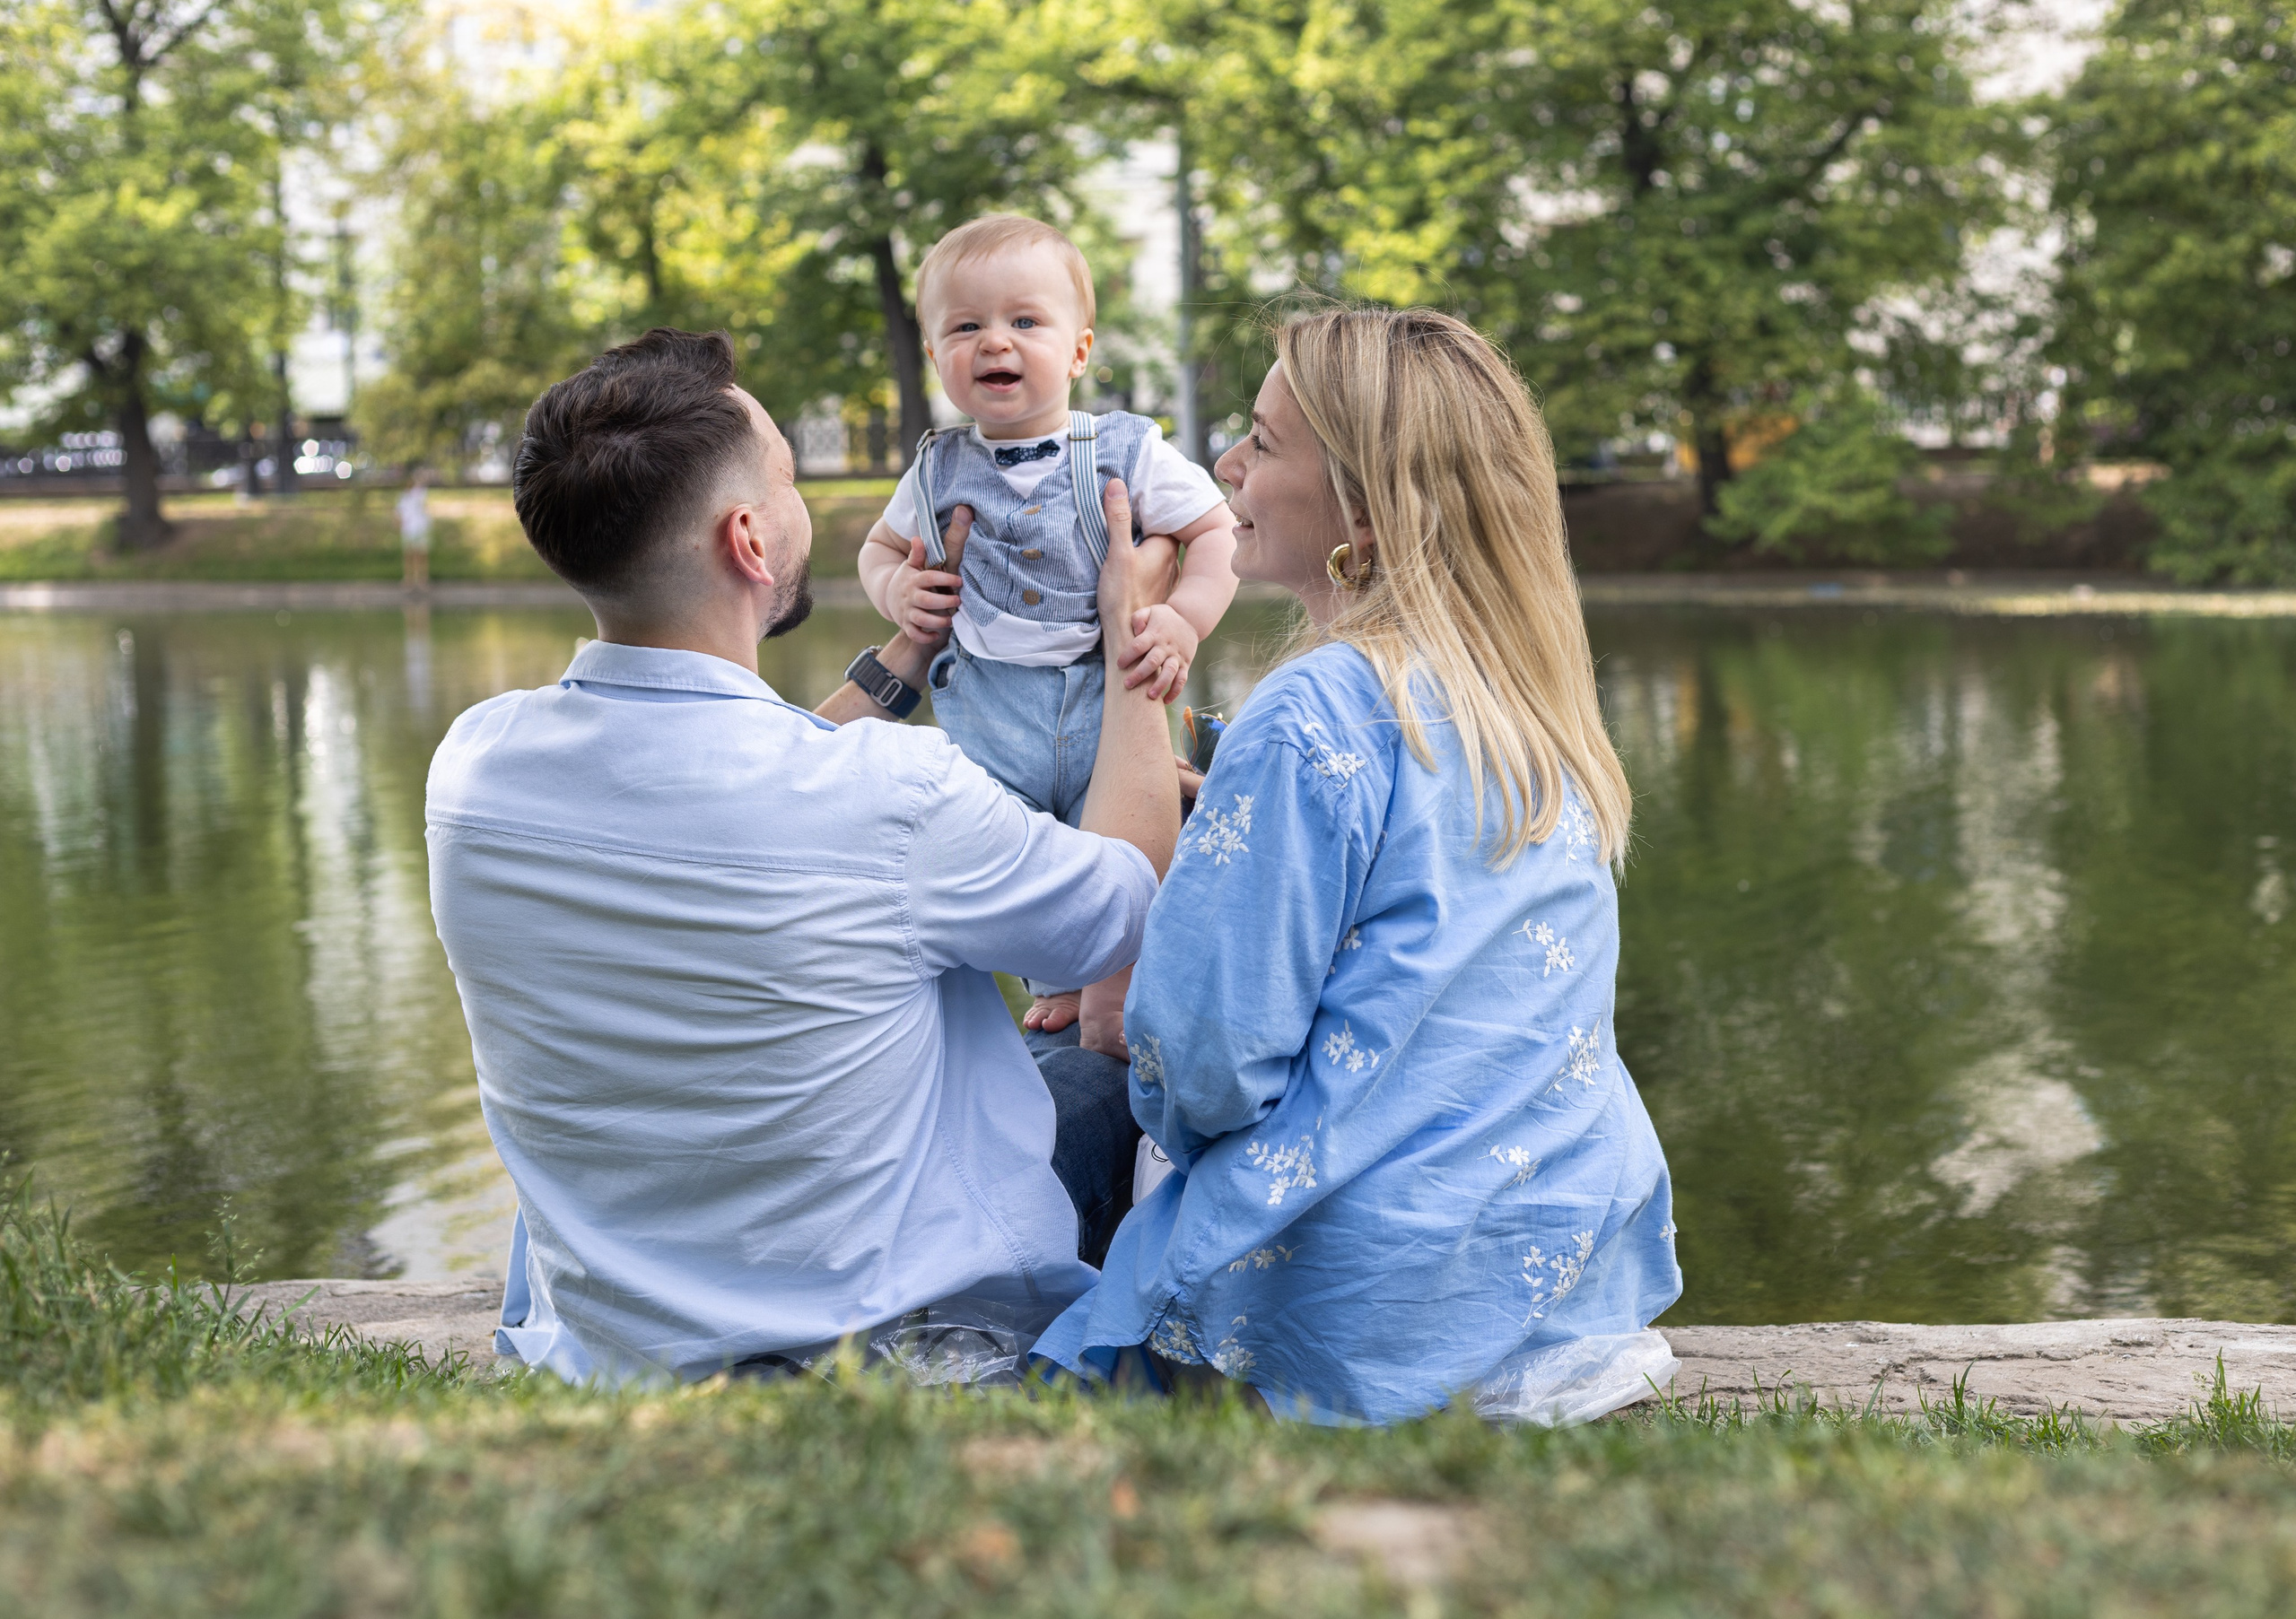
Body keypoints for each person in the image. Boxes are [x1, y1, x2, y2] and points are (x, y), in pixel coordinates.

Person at [423, 328, 1180, 1384]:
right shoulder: (896, 795)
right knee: (1097, 1064)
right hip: (891, 1344)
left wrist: (903, 658)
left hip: (616, 1346)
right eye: (785, 478)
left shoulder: (472, 767)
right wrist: (1128, 630)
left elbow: (739, 772)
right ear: (750, 538)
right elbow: (1128, 901)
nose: (801, 503)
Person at [1032, 309, 1683, 1425]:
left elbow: (1201, 1064)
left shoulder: (1312, 709)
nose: (1227, 467)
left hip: (1366, 1291)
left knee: (1051, 1090)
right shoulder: (1532, 703)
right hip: (1557, 1243)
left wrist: (1137, 989)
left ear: (1365, 512)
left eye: (1262, 442)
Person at [856, 215, 1238, 1049]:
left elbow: (1215, 531)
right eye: (966, 326)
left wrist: (1181, 615)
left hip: (1103, 696)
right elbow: (878, 549)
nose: (995, 341)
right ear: (935, 357)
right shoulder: (934, 466)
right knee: (1020, 864)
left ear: (1078, 350)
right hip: (991, 713)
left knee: (1135, 857)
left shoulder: (1125, 450)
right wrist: (900, 594)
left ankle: (1124, 984)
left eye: (1024, 321)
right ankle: (1062, 981)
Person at [397, 468, 432, 588]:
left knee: (421, 554)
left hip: (420, 528)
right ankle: (409, 579)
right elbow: (398, 513)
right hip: (409, 529)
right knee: (409, 555)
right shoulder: (404, 497)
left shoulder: (420, 494)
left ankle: (422, 579)